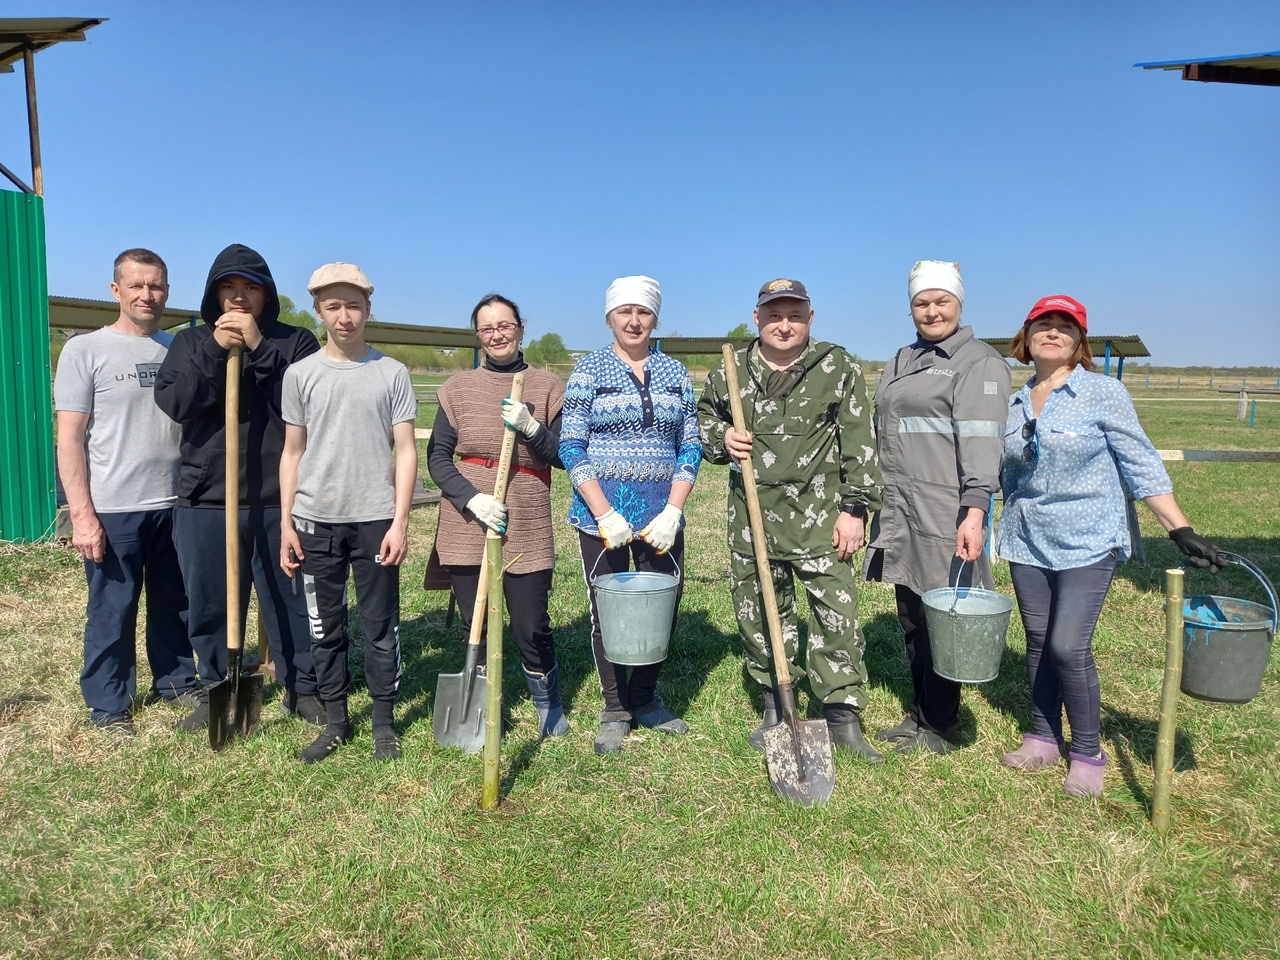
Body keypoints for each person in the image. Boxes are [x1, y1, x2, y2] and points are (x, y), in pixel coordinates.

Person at [996, 294, 1223, 797]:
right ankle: (1042, 735)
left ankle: (1088, 752)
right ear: (1026, 338)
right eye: (1043, 324)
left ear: (1080, 342)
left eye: (1065, 326)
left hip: (1088, 538)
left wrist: (1179, 529)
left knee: (1066, 645)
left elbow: (1140, 463)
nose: (1053, 332)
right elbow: (1004, 472)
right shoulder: (1014, 400)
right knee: (1037, 640)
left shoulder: (1104, 393)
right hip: (1027, 536)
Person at [698, 278, 885, 762]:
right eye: (774, 315)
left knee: (835, 615)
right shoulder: (731, 370)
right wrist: (723, 438)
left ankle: (841, 713)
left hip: (822, 519)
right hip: (753, 520)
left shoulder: (836, 366)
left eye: (795, 315)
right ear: (757, 318)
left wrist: (855, 509)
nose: (785, 325)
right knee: (760, 611)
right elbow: (702, 421)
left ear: (810, 319)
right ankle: (776, 707)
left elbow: (860, 439)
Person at [154, 243, 324, 732]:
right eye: (229, 287)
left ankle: (302, 687)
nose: (239, 297)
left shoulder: (295, 343)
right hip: (207, 500)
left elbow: (305, 402)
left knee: (287, 598)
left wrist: (257, 348)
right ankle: (215, 688)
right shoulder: (189, 344)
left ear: (266, 294)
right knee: (208, 602)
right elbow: (177, 403)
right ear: (214, 293)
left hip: (278, 499)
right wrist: (215, 349)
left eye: (249, 287)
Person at [864, 261, 1011, 755]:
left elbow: (983, 443)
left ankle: (942, 724)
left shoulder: (979, 363)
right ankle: (922, 711)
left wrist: (975, 509)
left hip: (944, 506)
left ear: (959, 304)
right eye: (921, 303)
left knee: (943, 613)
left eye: (940, 302)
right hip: (900, 505)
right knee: (910, 611)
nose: (931, 311)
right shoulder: (904, 357)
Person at [279, 262, 417, 763]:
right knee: (325, 627)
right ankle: (337, 720)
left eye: (353, 305)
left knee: (380, 628)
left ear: (368, 310)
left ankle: (384, 721)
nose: (344, 316)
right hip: (315, 523)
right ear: (318, 310)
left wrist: (400, 522)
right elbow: (292, 453)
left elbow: (405, 450)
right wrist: (286, 524)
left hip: (376, 521)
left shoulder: (391, 373)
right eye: (333, 306)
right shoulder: (300, 375)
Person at [54, 248, 196, 735]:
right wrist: (82, 515)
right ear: (115, 290)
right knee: (112, 609)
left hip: (173, 504)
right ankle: (109, 703)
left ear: (167, 292)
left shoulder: (177, 350)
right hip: (114, 507)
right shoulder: (86, 350)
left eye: (155, 285)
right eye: (136, 285)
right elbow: (70, 437)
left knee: (174, 601)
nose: (146, 294)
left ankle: (176, 681)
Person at [560, 275, 701, 754]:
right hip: (603, 519)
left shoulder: (675, 372)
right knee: (609, 612)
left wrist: (674, 509)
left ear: (655, 318)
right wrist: (603, 511)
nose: (634, 320)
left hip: (660, 517)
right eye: (625, 312)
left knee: (661, 605)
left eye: (643, 312)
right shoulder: (588, 370)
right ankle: (615, 707)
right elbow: (571, 444)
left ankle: (645, 698)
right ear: (610, 318)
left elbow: (692, 443)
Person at [425, 293, 569, 739]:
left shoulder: (546, 386)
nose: (497, 334)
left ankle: (547, 700)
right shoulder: (456, 388)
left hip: (525, 510)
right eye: (487, 328)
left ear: (520, 329)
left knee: (531, 624)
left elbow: (564, 455)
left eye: (505, 325)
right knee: (478, 622)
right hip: (468, 518)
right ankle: (490, 705)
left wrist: (532, 428)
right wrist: (471, 499)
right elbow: (438, 459)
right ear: (478, 336)